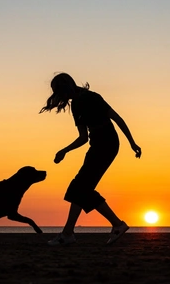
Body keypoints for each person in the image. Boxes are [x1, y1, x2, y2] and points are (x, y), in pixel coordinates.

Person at [39, 72, 142, 245]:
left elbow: (117, 119)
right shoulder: (76, 105)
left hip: (107, 145)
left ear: (66, 87)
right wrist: (64, 151)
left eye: (59, 91)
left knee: (80, 188)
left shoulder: (91, 97)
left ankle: (73, 233)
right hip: (98, 146)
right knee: (80, 189)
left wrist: (132, 143)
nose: (60, 96)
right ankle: (74, 231)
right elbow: (83, 138)